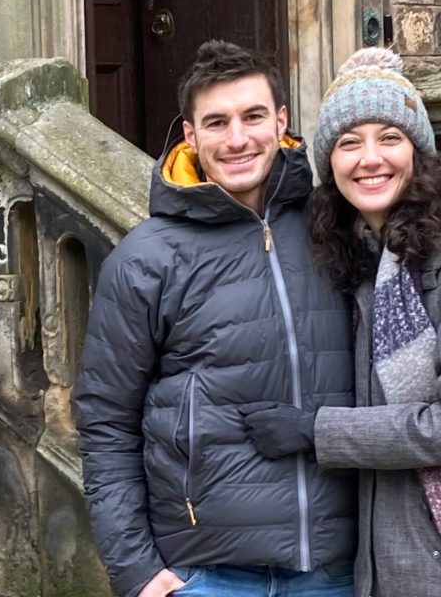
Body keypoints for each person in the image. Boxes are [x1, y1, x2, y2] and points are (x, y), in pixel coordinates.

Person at [73, 40, 357, 597]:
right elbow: (106, 420)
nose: (236, 138)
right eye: (217, 122)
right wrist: (134, 571)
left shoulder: (335, 228)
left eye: (253, 117)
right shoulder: (146, 258)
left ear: (281, 122)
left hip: (336, 571)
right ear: (190, 136)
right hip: (207, 577)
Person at [241, 47, 441, 597]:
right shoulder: (360, 265)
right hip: (379, 565)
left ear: (418, 152)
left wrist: (315, 430)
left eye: (390, 138)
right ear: (329, 162)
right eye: (349, 143)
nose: (369, 158)